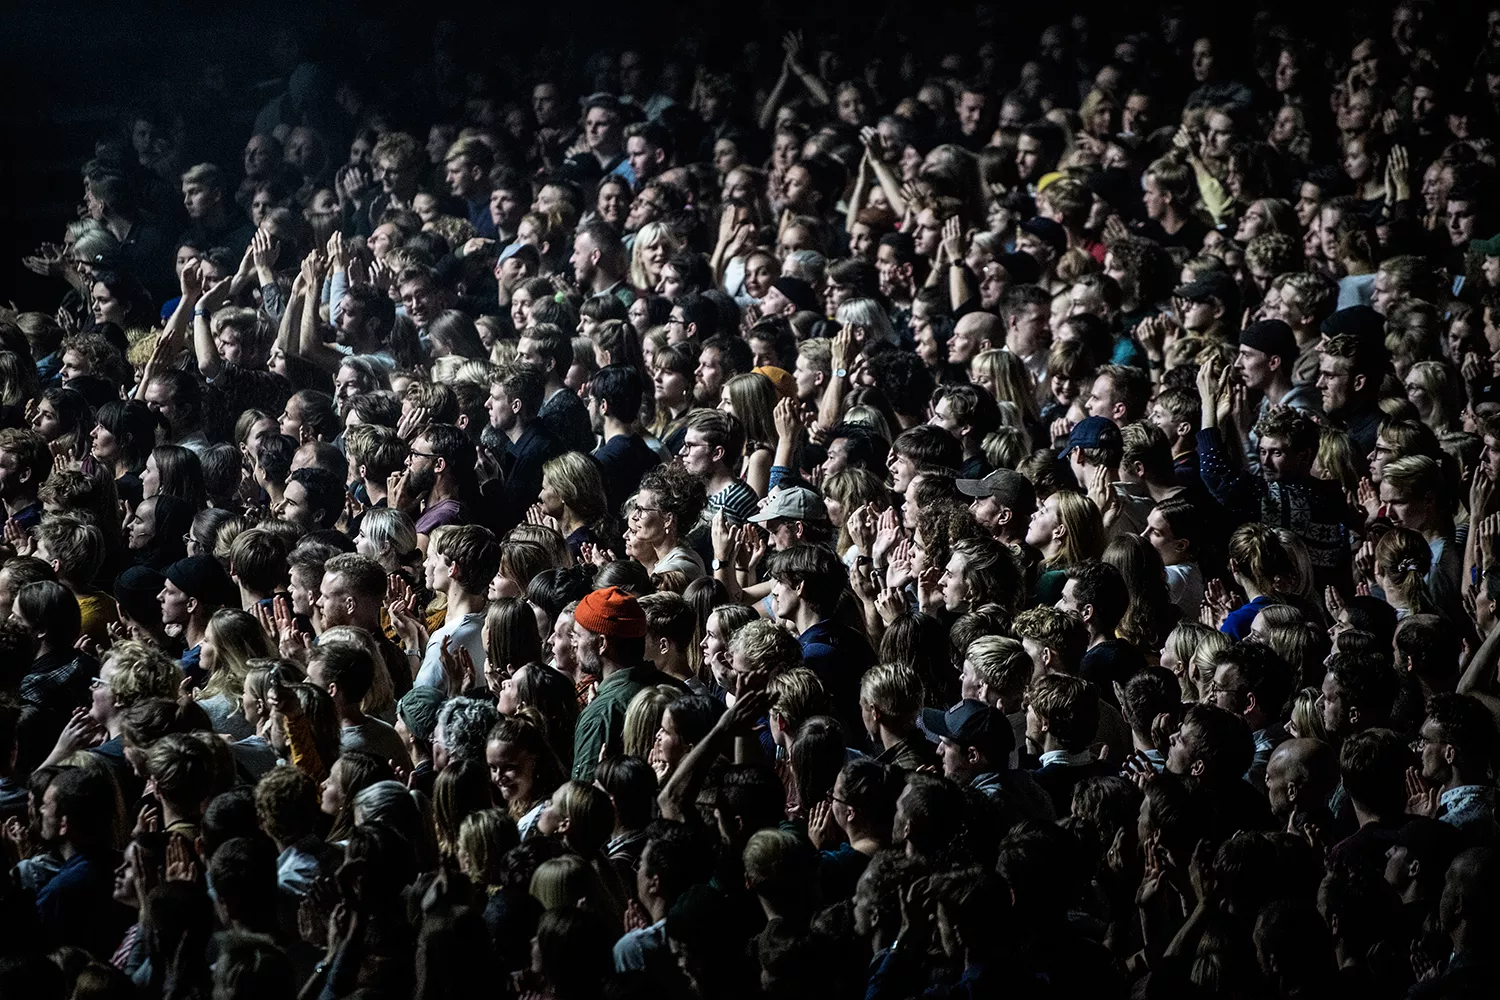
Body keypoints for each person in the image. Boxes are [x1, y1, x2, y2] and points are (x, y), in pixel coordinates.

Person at [571, 587, 683, 781]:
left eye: (578, 636)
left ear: (601, 644)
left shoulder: (601, 715)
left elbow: (583, 800)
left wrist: (598, 710)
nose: (574, 644)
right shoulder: (681, 691)